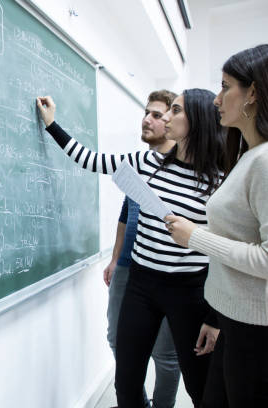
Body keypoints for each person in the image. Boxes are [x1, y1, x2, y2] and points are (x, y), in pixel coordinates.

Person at [37, 88, 225, 408]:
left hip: (190, 292)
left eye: (175, 111)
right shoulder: (146, 161)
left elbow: (226, 254)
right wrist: (52, 123)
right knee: (126, 381)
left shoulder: (219, 181)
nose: (165, 117)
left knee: (199, 384)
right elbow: (88, 159)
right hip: (142, 284)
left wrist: (216, 317)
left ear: (198, 121)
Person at [165, 44, 268, 407]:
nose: (217, 99)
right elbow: (240, 238)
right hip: (237, 324)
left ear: (253, 94)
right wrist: (217, 319)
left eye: (225, 86)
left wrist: (197, 238)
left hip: (265, 335)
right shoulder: (250, 156)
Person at [104, 90, 181, 408]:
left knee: (164, 354)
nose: (147, 119)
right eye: (145, 112)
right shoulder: (137, 165)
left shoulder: (183, 168)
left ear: (172, 122)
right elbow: (126, 213)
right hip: (126, 266)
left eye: (157, 114)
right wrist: (113, 258)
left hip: (163, 271)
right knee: (116, 339)